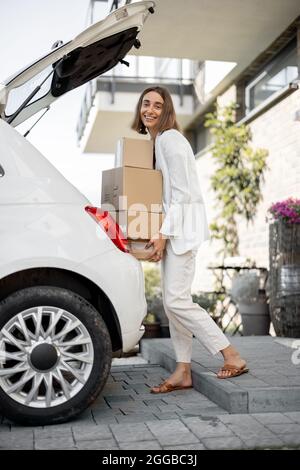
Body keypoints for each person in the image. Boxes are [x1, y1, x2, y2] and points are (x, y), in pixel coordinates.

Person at [131, 86, 248, 393]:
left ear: (166, 110)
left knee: (176, 300)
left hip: (182, 231)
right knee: (173, 305)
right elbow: (166, 197)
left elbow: (183, 194)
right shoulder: (156, 142)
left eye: (158, 105)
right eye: (146, 104)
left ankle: (231, 355)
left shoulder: (170, 139)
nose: (151, 110)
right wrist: (160, 234)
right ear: (140, 109)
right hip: (173, 232)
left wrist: (164, 233)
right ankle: (183, 371)